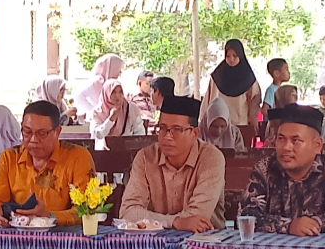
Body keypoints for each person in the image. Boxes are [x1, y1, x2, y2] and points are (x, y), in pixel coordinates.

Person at [239, 104, 325, 235]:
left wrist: (307, 226)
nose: (286, 147)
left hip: (321, 247)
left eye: (295, 140)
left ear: (317, 145)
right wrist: (289, 226)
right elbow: (247, 215)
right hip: (273, 247)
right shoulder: (265, 168)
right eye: (281, 138)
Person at [120, 96, 226, 232]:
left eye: (177, 129)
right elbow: (128, 212)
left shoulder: (211, 158)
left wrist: (157, 221)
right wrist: (174, 222)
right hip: (155, 241)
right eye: (162, 128)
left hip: (205, 240)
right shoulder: (145, 158)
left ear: (194, 133)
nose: (167, 136)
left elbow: (197, 218)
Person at [0, 100, 95, 227]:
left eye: (42, 134)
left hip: (64, 236)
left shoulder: (78, 157)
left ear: (57, 132)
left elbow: (86, 210)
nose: (33, 139)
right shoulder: (9, 158)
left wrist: (49, 216)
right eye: (27, 132)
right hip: (18, 235)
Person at [200, 39, 262, 131]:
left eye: (235, 56)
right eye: (228, 56)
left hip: (240, 125)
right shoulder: (217, 76)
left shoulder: (248, 78)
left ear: (240, 55)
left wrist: (253, 119)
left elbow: (254, 101)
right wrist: (202, 121)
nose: (231, 59)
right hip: (217, 127)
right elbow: (208, 100)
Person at [90, 79, 145, 150]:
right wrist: (110, 119)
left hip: (127, 150)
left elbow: (140, 131)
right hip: (104, 150)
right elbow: (99, 135)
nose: (117, 95)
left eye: (120, 92)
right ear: (106, 93)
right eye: (113, 92)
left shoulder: (131, 108)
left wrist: (131, 145)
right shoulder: (97, 111)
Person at [74, 53, 124, 119]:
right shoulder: (98, 82)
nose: (120, 72)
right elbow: (79, 96)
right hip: (96, 119)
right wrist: (94, 111)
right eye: (118, 68)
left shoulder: (113, 84)